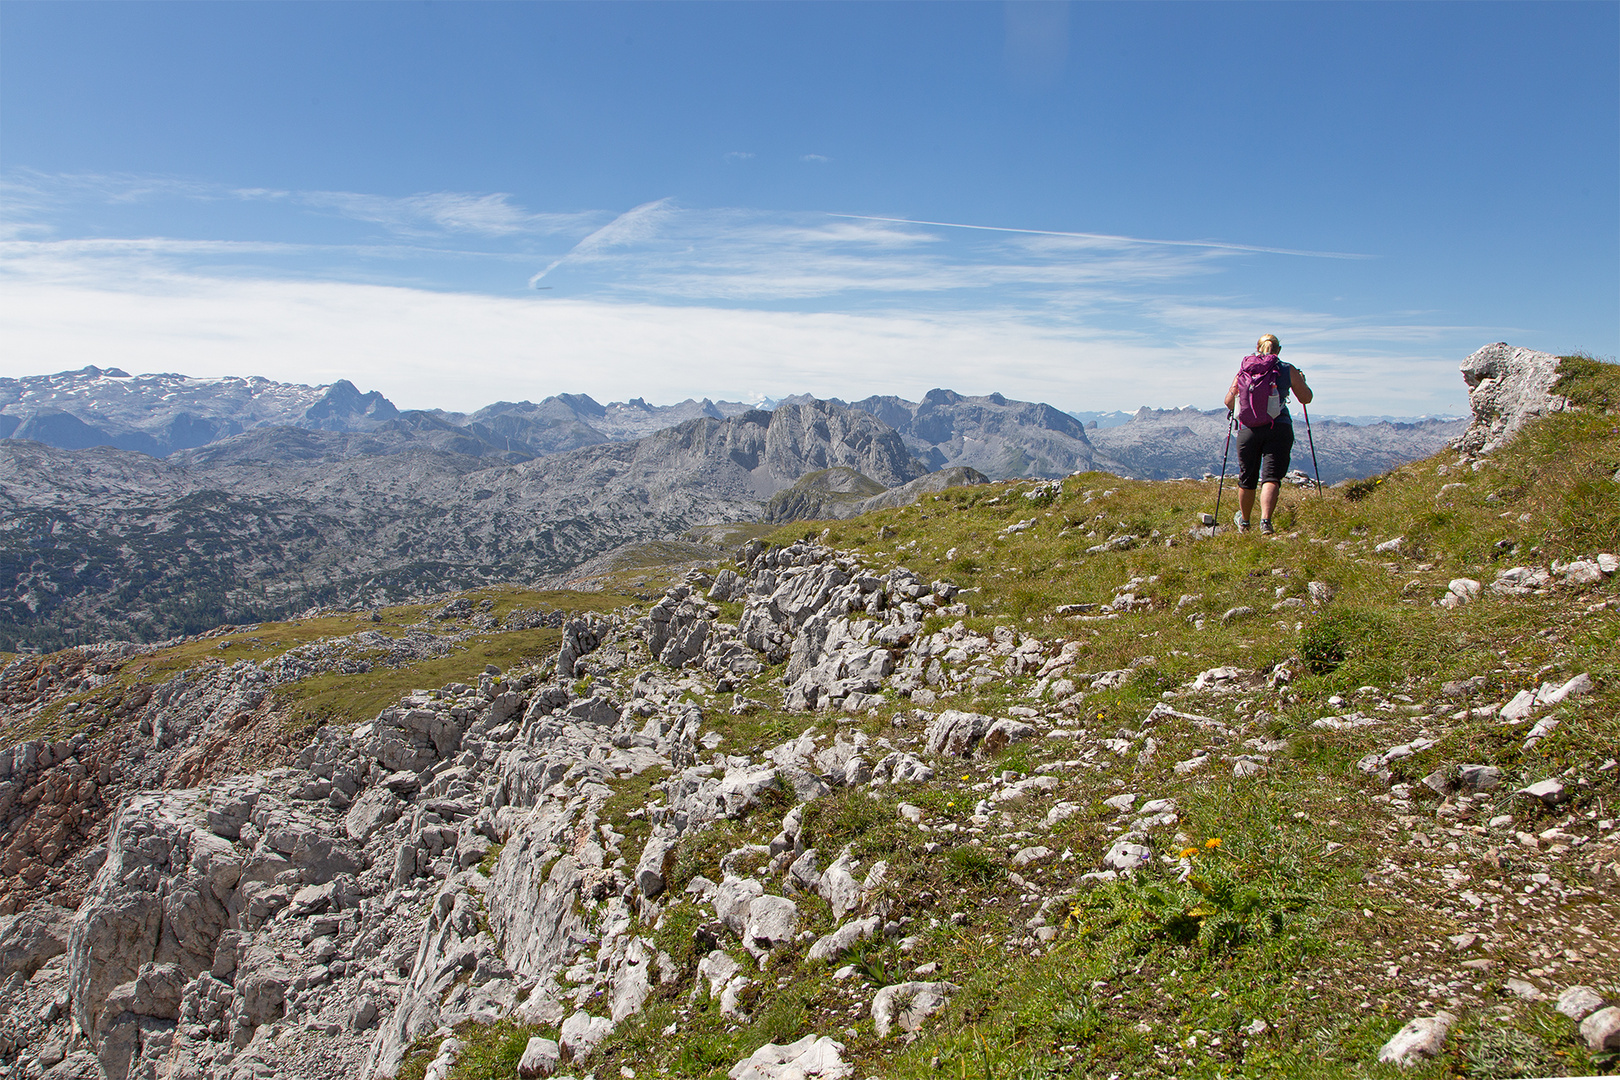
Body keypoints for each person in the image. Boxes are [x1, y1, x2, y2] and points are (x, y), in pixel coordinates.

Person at [1223, 334, 1312, 535]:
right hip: (1278, 428)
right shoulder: (1287, 369)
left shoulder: (1245, 370)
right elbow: (1306, 398)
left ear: (1257, 347)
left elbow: (1229, 401)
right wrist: (1302, 382)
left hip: (1248, 431)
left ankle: (1244, 522)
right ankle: (1266, 522)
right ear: (1278, 350)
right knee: (1271, 477)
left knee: (1247, 478)